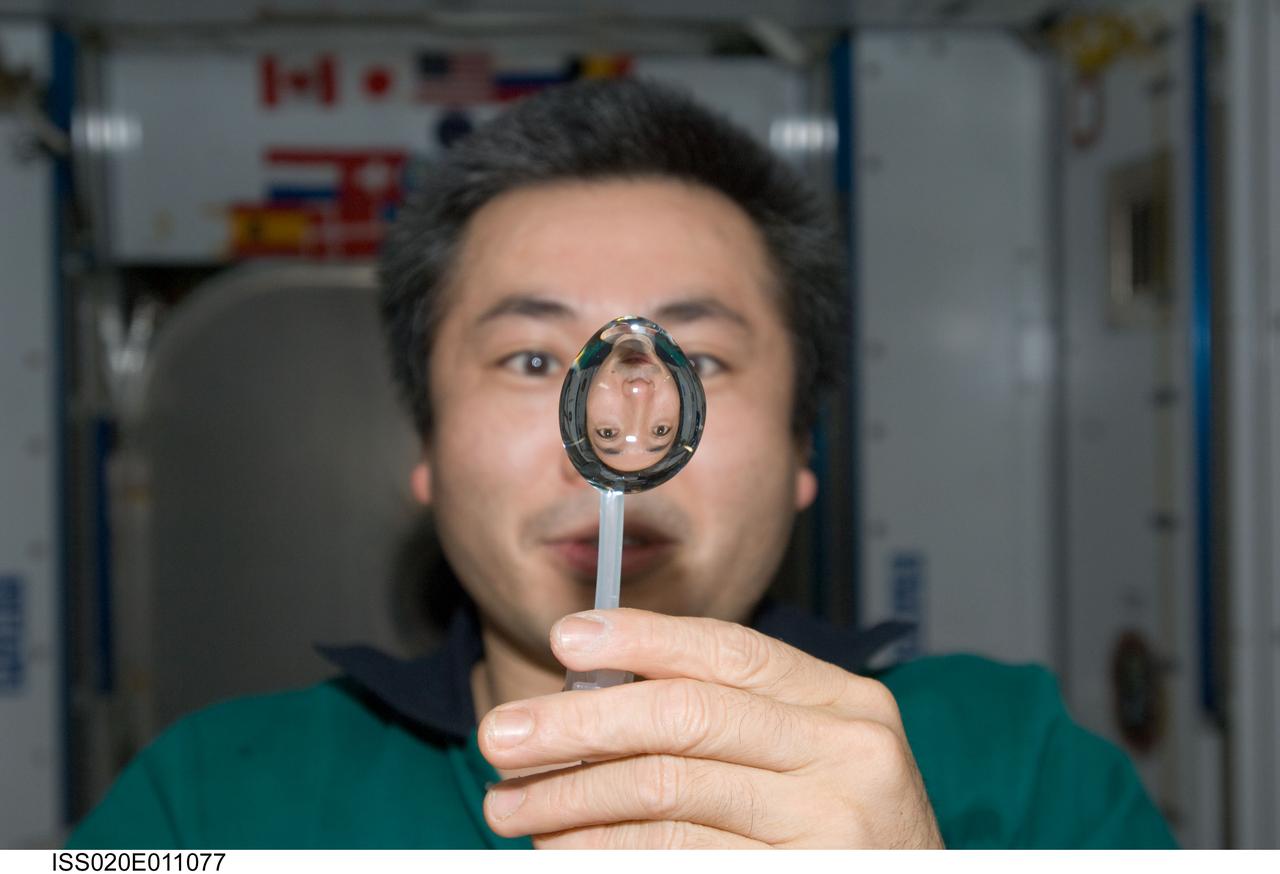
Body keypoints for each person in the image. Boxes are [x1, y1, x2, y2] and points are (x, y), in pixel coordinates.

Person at [68, 78, 1176, 849]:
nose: (615, 411)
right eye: (531, 353)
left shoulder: (1022, 770)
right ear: (426, 454)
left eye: (693, 355)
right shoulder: (206, 799)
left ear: (801, 452)